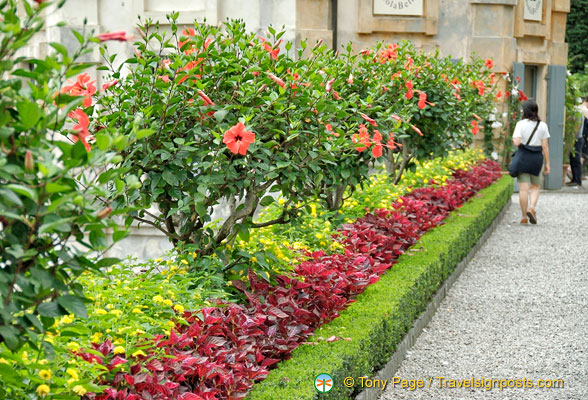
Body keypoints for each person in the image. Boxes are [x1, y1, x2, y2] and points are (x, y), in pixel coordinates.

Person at [512, 100, 550, 225]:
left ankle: (524, 217)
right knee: (535, 187)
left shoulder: (520, 124)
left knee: (523, 189)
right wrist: (547, 163)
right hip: (536, 158)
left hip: (523, 157)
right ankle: (532, 207)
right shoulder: (542, 125)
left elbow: (517, 142)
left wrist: (514, 138)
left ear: (526, 111)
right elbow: (545, 146)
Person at [568, 96, 588, 186]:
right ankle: (574, 179)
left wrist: (573, 137)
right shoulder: (580, 111)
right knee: (573, 159)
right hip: (579, 137)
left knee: (576, 159)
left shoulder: (579, 112)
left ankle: (577, 180)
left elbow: (577, 125)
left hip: (578, 138)